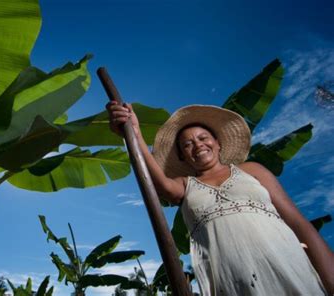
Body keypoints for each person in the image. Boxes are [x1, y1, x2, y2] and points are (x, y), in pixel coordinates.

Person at [106, 102, 334, 295]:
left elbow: (298, 223)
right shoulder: (185, 186)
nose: (197, 145)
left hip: (287, 266)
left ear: (218, 143)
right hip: (230, 283)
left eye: (203, 138)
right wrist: (133, 134)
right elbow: (158, 183)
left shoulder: (252, 170)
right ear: (183, 157)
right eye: (187, 144)